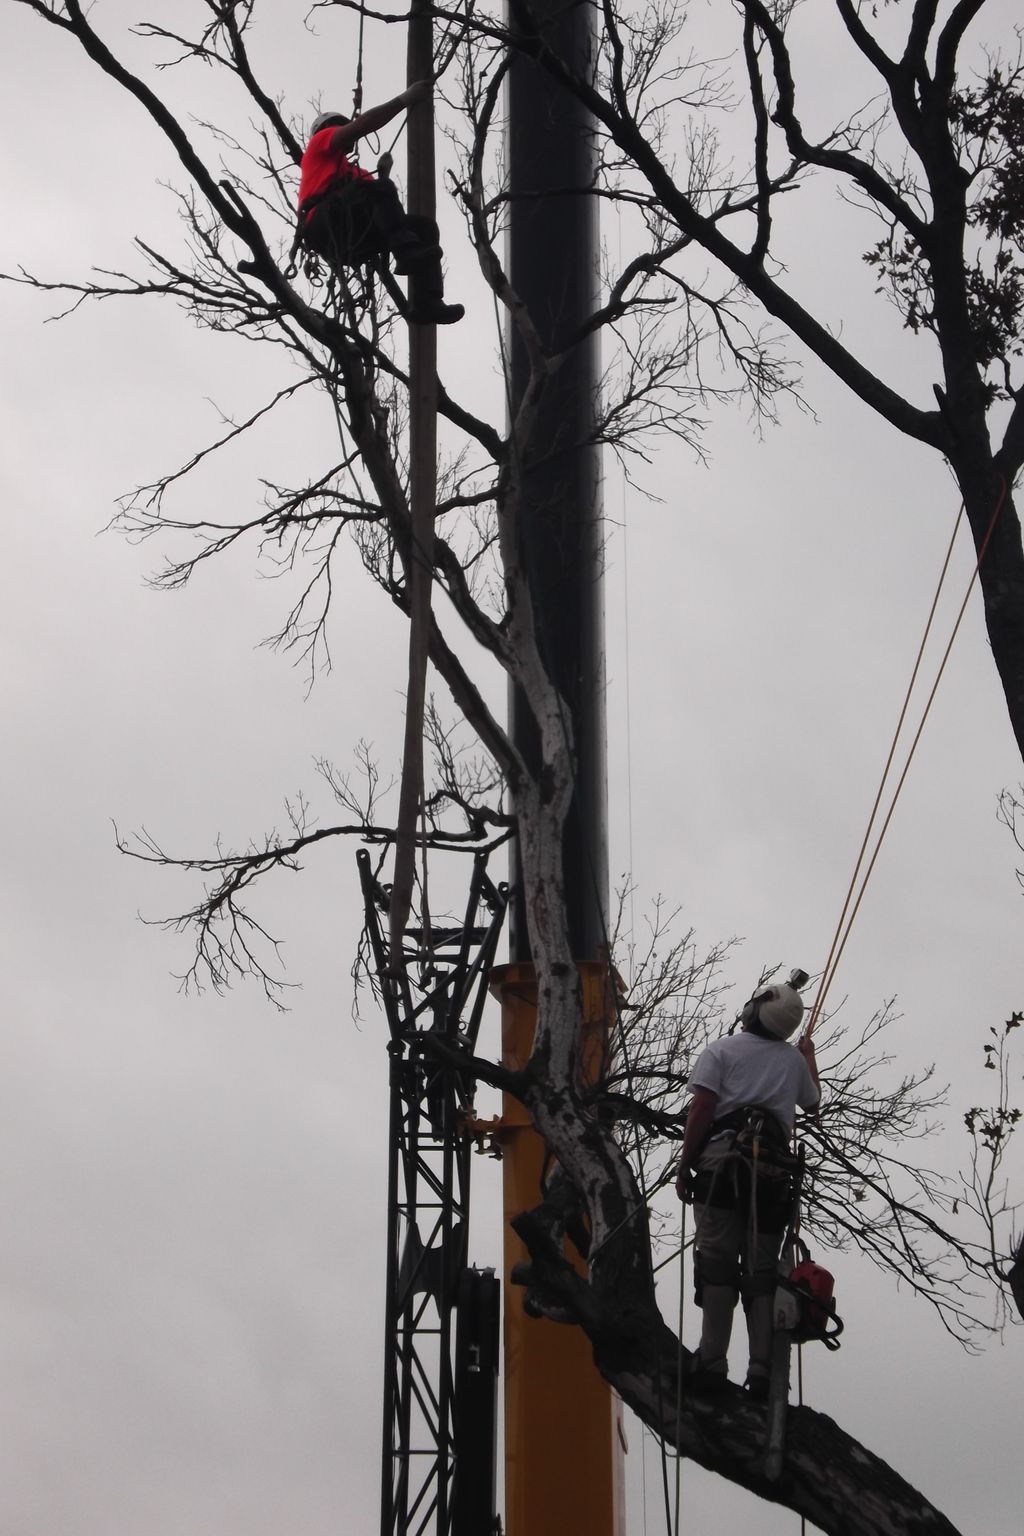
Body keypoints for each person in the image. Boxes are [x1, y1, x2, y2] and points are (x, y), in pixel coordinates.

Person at [675, 973, 820, 1399]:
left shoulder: (721, 1051)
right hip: (773, 1174)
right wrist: (807, 1056)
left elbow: (703, 1108)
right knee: (760, 1273)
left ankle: (712, 1364)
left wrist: (686, 1166)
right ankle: (761, 1373)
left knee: (718, 1267)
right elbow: (812, 1105)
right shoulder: (792, 1061)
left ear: (755, 1009)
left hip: (724, 1165)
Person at [297, 81, 464, 325]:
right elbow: (362, 127)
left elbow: (381, 205)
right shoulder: (319, 144)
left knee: (424, 227)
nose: (345, 132)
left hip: (348, 234)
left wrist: (383, 174)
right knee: (379, 190)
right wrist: (405, 99)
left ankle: (428, 302)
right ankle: (406, 252)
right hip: (324, 223)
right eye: (340, 128)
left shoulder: (353, 174)